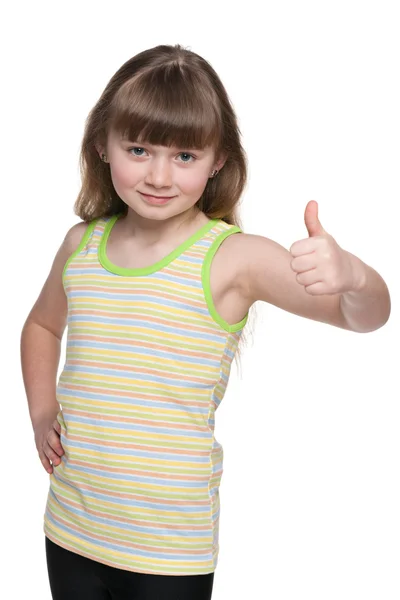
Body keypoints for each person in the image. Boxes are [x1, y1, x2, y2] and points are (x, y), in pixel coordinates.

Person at [20, 43, 391, 600]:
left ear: (218, 159)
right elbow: (42, 326)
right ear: (103, 143)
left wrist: (355, 278)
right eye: (139, 149)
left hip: (169, 548)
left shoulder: (231, 259)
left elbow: (364, 317)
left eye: (186, 156)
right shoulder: (81, 244)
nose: (160, 175)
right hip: (72, 525)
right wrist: (42, 409)